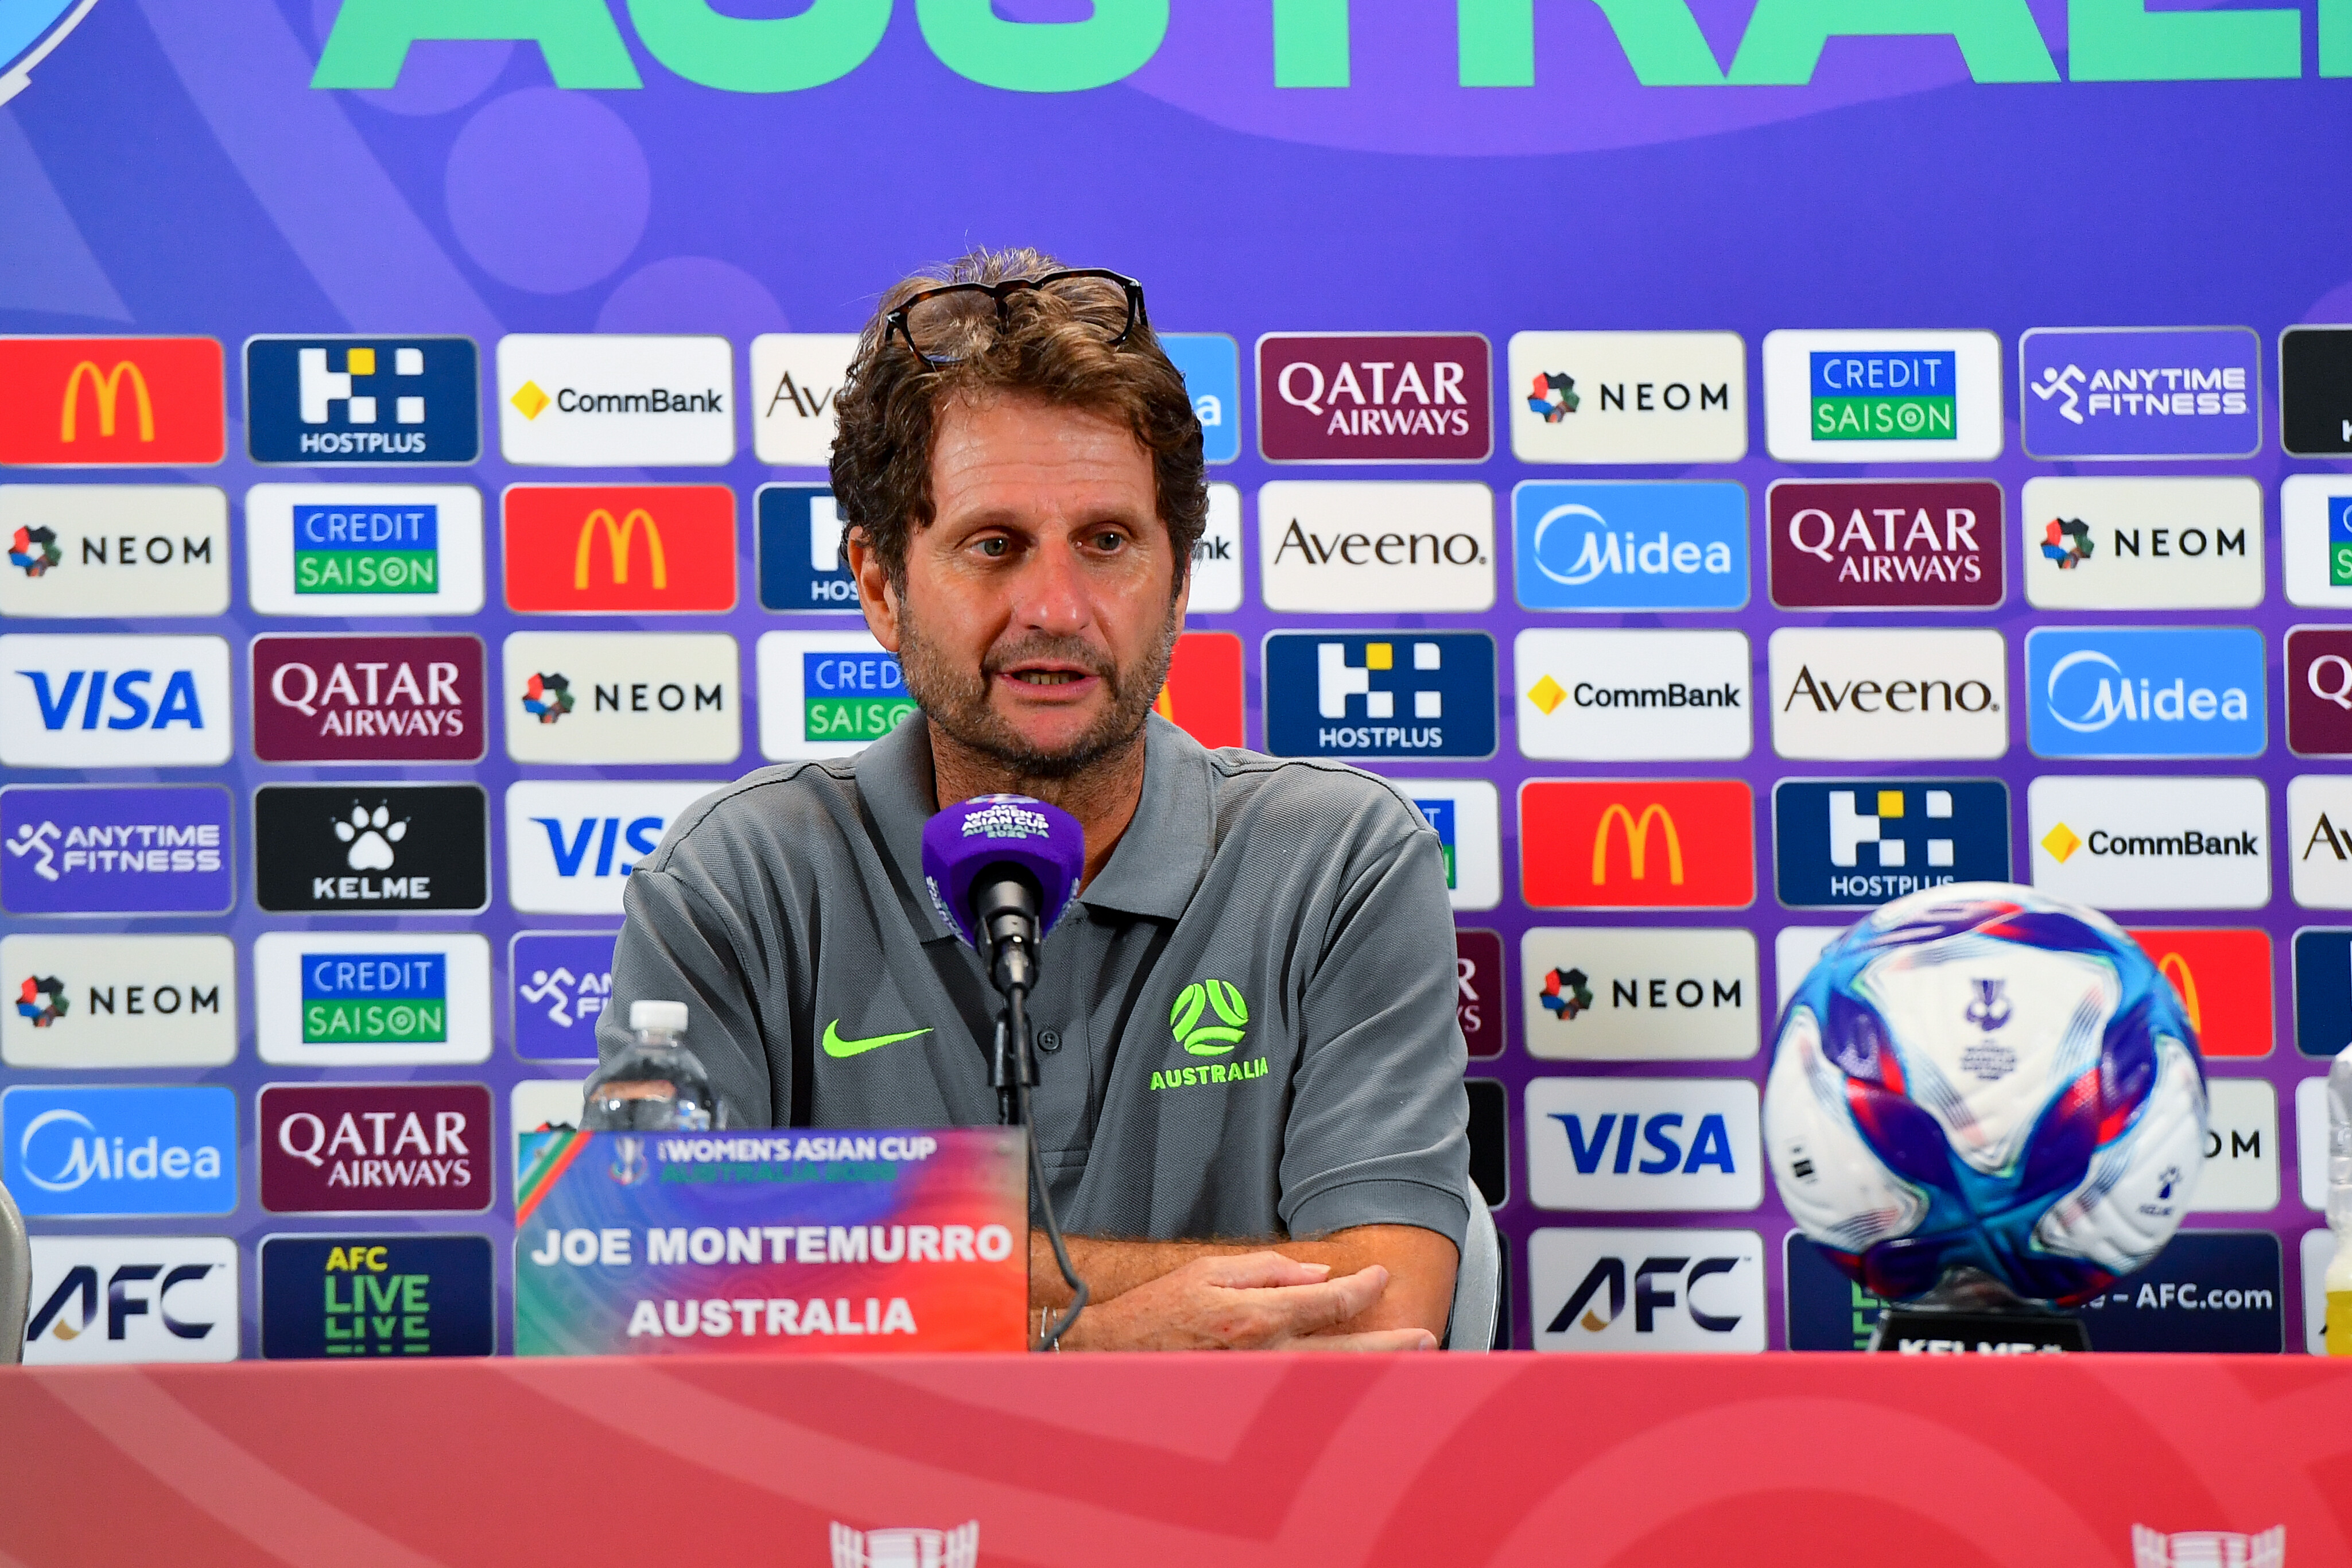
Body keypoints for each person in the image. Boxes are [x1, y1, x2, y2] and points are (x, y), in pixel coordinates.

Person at [601, 249, 1470, 1350]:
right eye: (994, 545)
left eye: (1106, 542)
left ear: (1179, 579)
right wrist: (1100, 1346)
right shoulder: (739, 878)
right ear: (880, 585)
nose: (1055, 607)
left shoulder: (1337, 860)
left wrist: (845, 1270)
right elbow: (645, 1296)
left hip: (1222, 1480)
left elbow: (1383, 1306)